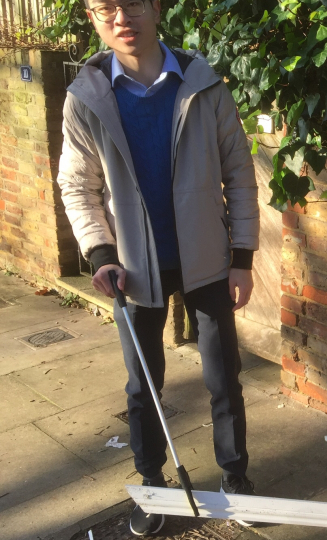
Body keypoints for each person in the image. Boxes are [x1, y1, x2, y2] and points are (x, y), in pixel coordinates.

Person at [56, 0, 260, 535]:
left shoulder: (203, 84)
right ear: (91, 16)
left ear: (158, 7)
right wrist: (100, 253)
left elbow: (239, 173)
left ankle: (235, 477)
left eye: (135, 3)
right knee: (143, 386)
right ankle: (151, 486)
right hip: (132, 269)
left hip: (208, 260)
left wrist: (242, 258)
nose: (122, 17)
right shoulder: (85, 99)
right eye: (105, 7)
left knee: (223, 377)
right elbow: (78, 187)